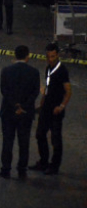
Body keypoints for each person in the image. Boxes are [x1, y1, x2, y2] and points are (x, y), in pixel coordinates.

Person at [0, 44, 39, 179]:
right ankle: (22, 170)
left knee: (8, 142)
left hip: (8, 112)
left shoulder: (6, 71)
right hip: (25, 114)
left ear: (15, 56)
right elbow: (35, 93)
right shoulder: (34, 72)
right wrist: (24, 107)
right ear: (28, 56)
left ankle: (5, 169)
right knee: (24, 142)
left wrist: (15, 105)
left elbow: (4, 90)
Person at [31, 42, 71, 175]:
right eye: (48, 56)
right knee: (40, 134)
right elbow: (47, 89)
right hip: (46, 108)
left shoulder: (62, 70)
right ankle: (43, 162)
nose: (50, 59)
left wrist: (61, 106)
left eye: (53, 56)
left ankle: (54, 166)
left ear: (58, 55)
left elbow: (68, 91)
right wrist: (41, 104)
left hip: (56, 110)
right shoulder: (48, 68)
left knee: (56, 139)